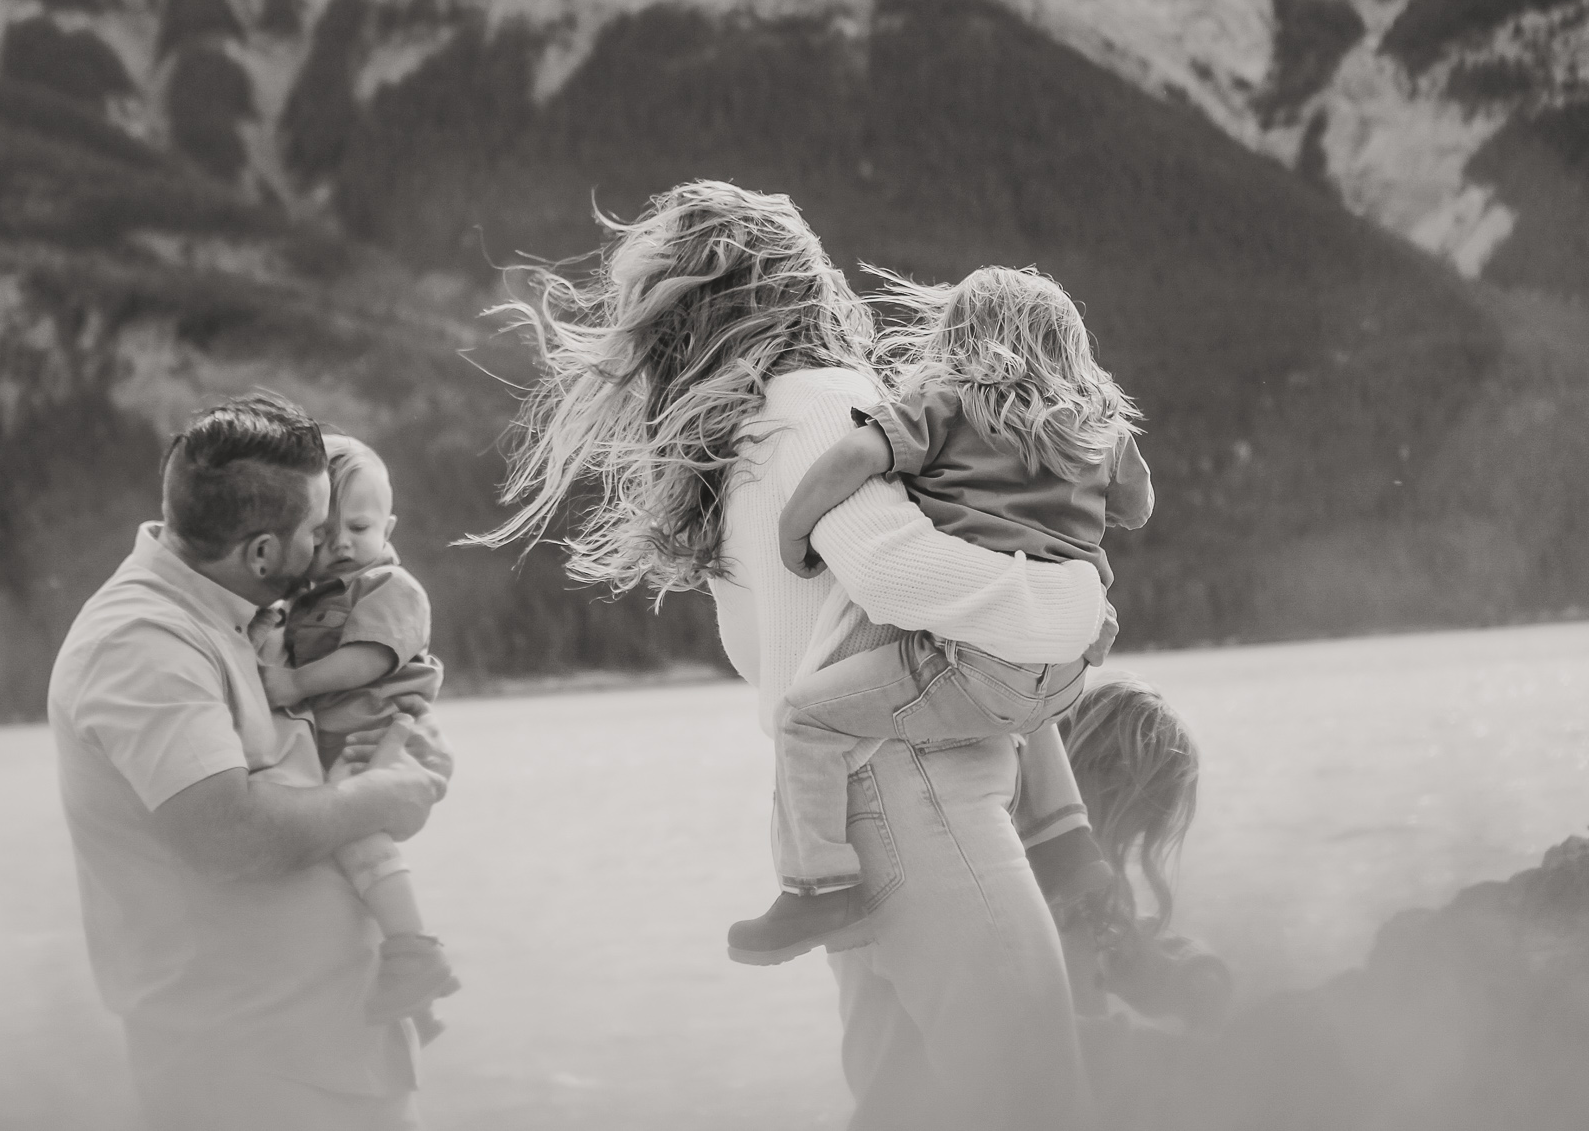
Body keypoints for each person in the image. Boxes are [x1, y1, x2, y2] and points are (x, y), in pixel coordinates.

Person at [475, 180, 1116, 1131]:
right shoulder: (830, 407)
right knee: (1034, 1100)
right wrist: (1072, 603)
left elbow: (792, 642)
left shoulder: (743, 446)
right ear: (791, 286)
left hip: (845, 830)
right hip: (928, 801)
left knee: (904, 1109)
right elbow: (897, 574)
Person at [47, 391, 451, 1131]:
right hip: (245, 1075)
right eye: (316, 530)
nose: (329, 549)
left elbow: (304, 788)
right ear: (262, 550)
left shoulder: (242, 609)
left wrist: (400, 761)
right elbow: (229, 834)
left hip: (326, 1055)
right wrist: (380, 801)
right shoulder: (143, 645)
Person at [740, 264, 1153, 960]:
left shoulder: (947, 401)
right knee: (1025, 682)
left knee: (806, 719)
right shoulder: (1100, 425)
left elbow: (853, 456)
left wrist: (794, 530)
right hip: (1068, 668)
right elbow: (1138, 509)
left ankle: (819, 886)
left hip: (978, 671)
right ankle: (1065, 845)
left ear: (959, 334)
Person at [255, 433, 459, 1039]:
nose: (342, 543)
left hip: (377, 734)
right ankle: (417, 1005)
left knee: (362, 846)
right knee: (349, 875)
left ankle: (415, 951)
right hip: (344, 741)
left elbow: (369, 658)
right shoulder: (309, 596)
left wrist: (294, 684)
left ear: (389, 526)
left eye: (361, 528)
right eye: (324, 533)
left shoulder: (390, 589)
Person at [1056, 677, 1230, 1032]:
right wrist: (1128, 1046)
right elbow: (1025, 1020)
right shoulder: (1026, 876)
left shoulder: (1089, 886)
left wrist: (1188, 969)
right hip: (1044, 1070)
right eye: (1139, 820)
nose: (1131, 842)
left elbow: (1123, 939)